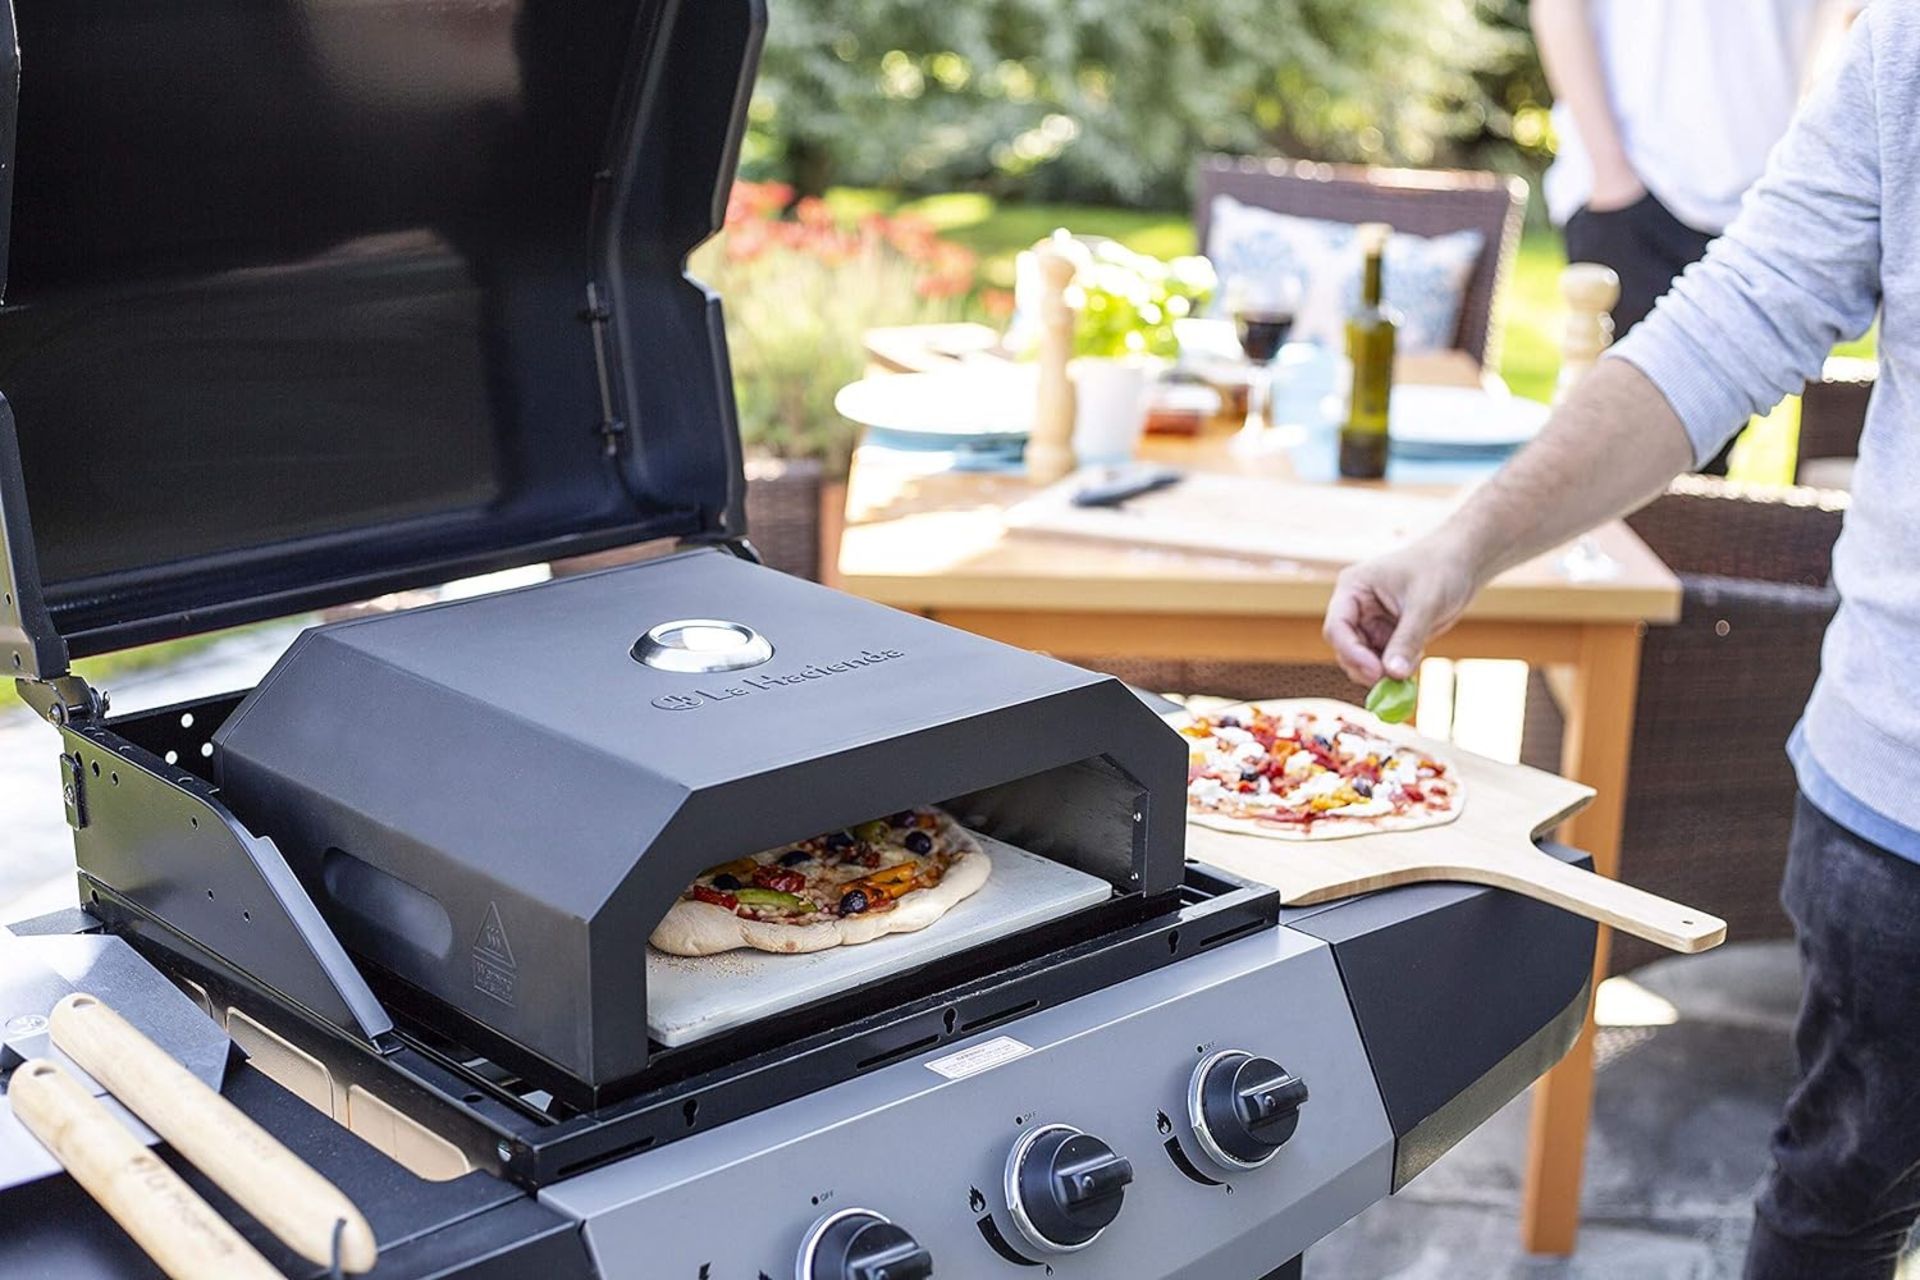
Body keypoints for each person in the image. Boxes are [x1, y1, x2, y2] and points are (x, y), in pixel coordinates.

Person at [1324, 8, 1919, 1278]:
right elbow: (1729, 324)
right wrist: (1466, 541)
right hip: (1899, 801)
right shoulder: (1908, 50)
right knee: (1840, 1209)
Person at [1532, 0, 1853, 472]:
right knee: (1616, 458)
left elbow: (1844, 22)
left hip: (1760, 206)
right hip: (1635, 193)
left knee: (1702, 470)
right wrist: (1611, 174)